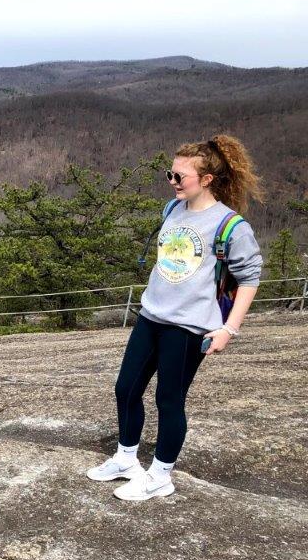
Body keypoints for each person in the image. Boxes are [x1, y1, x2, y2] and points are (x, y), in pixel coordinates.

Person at [87, 135, 263, 501]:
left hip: (189, 326)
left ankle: (161, 475)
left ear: (207, 180)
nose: (172, 181)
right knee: (126, 389)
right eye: (171, 173)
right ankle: (125, 458)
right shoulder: (172, 210)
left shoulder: (230, 226)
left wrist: (229, 329)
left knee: (169, 400)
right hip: (152, 314)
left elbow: (249, 277)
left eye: (180, 176)